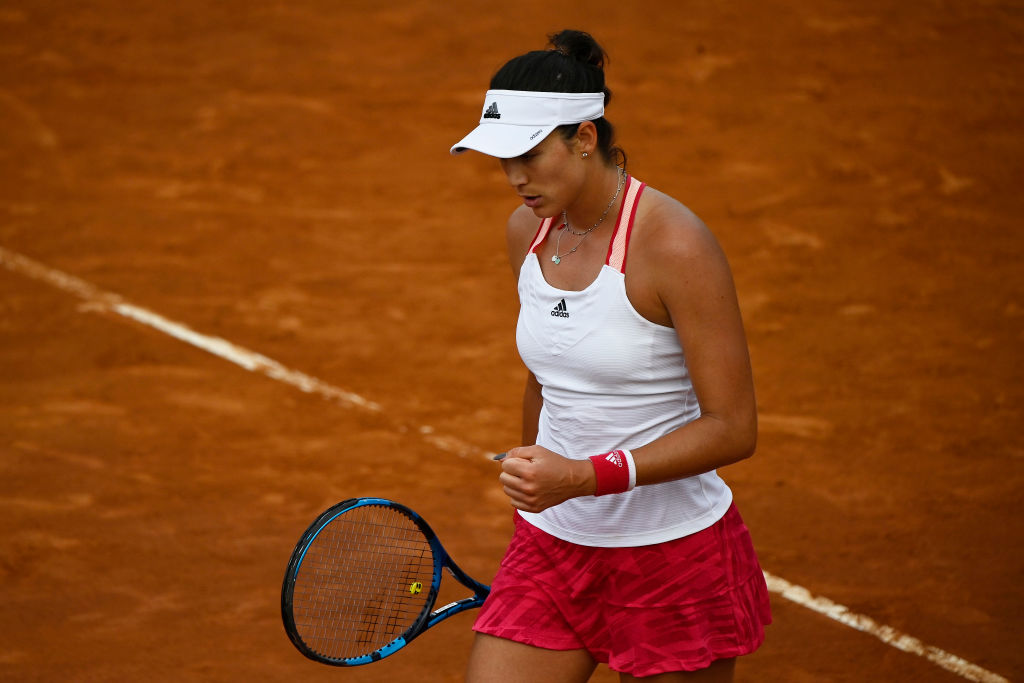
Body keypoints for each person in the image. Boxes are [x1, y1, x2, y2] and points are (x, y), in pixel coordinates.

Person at [450, 30, 771, 683]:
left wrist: (584, 475)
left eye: (530, 155)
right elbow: (546, 375)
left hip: (671, 557)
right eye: (501, 160)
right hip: (554, 548)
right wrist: (538, 487)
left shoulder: (675, 245)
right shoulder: (527, 232)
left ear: (585, 139)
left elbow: (733, 427)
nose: (514, 178)